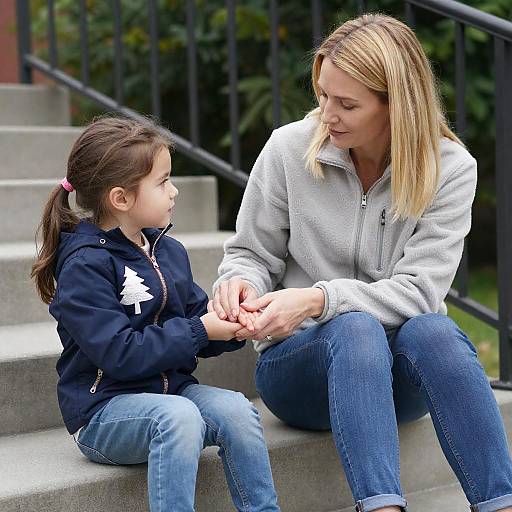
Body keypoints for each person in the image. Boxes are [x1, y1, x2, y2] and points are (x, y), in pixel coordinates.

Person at [212, 13, 512, 512]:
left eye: (347, 104)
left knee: (434, 331)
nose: (327, 114)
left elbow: (420, 292)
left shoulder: (451, 170)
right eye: (323, 95)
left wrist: (317, 298)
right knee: (354, 329)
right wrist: (238, 282)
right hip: (300, 371)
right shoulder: (288, 148)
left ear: (397, 106)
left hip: (398, 379)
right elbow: (248, 253)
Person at [31, 116, 280, 512]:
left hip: (171, 392)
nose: (174, 191)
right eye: (163, 182)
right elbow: (120, 352)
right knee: (178, 416)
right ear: (121, 199)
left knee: (237, 409)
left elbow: (199, 316)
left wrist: (238, 322)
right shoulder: (86, 264)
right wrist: (202, 330)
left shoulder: (167, 250)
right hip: (104, 412)